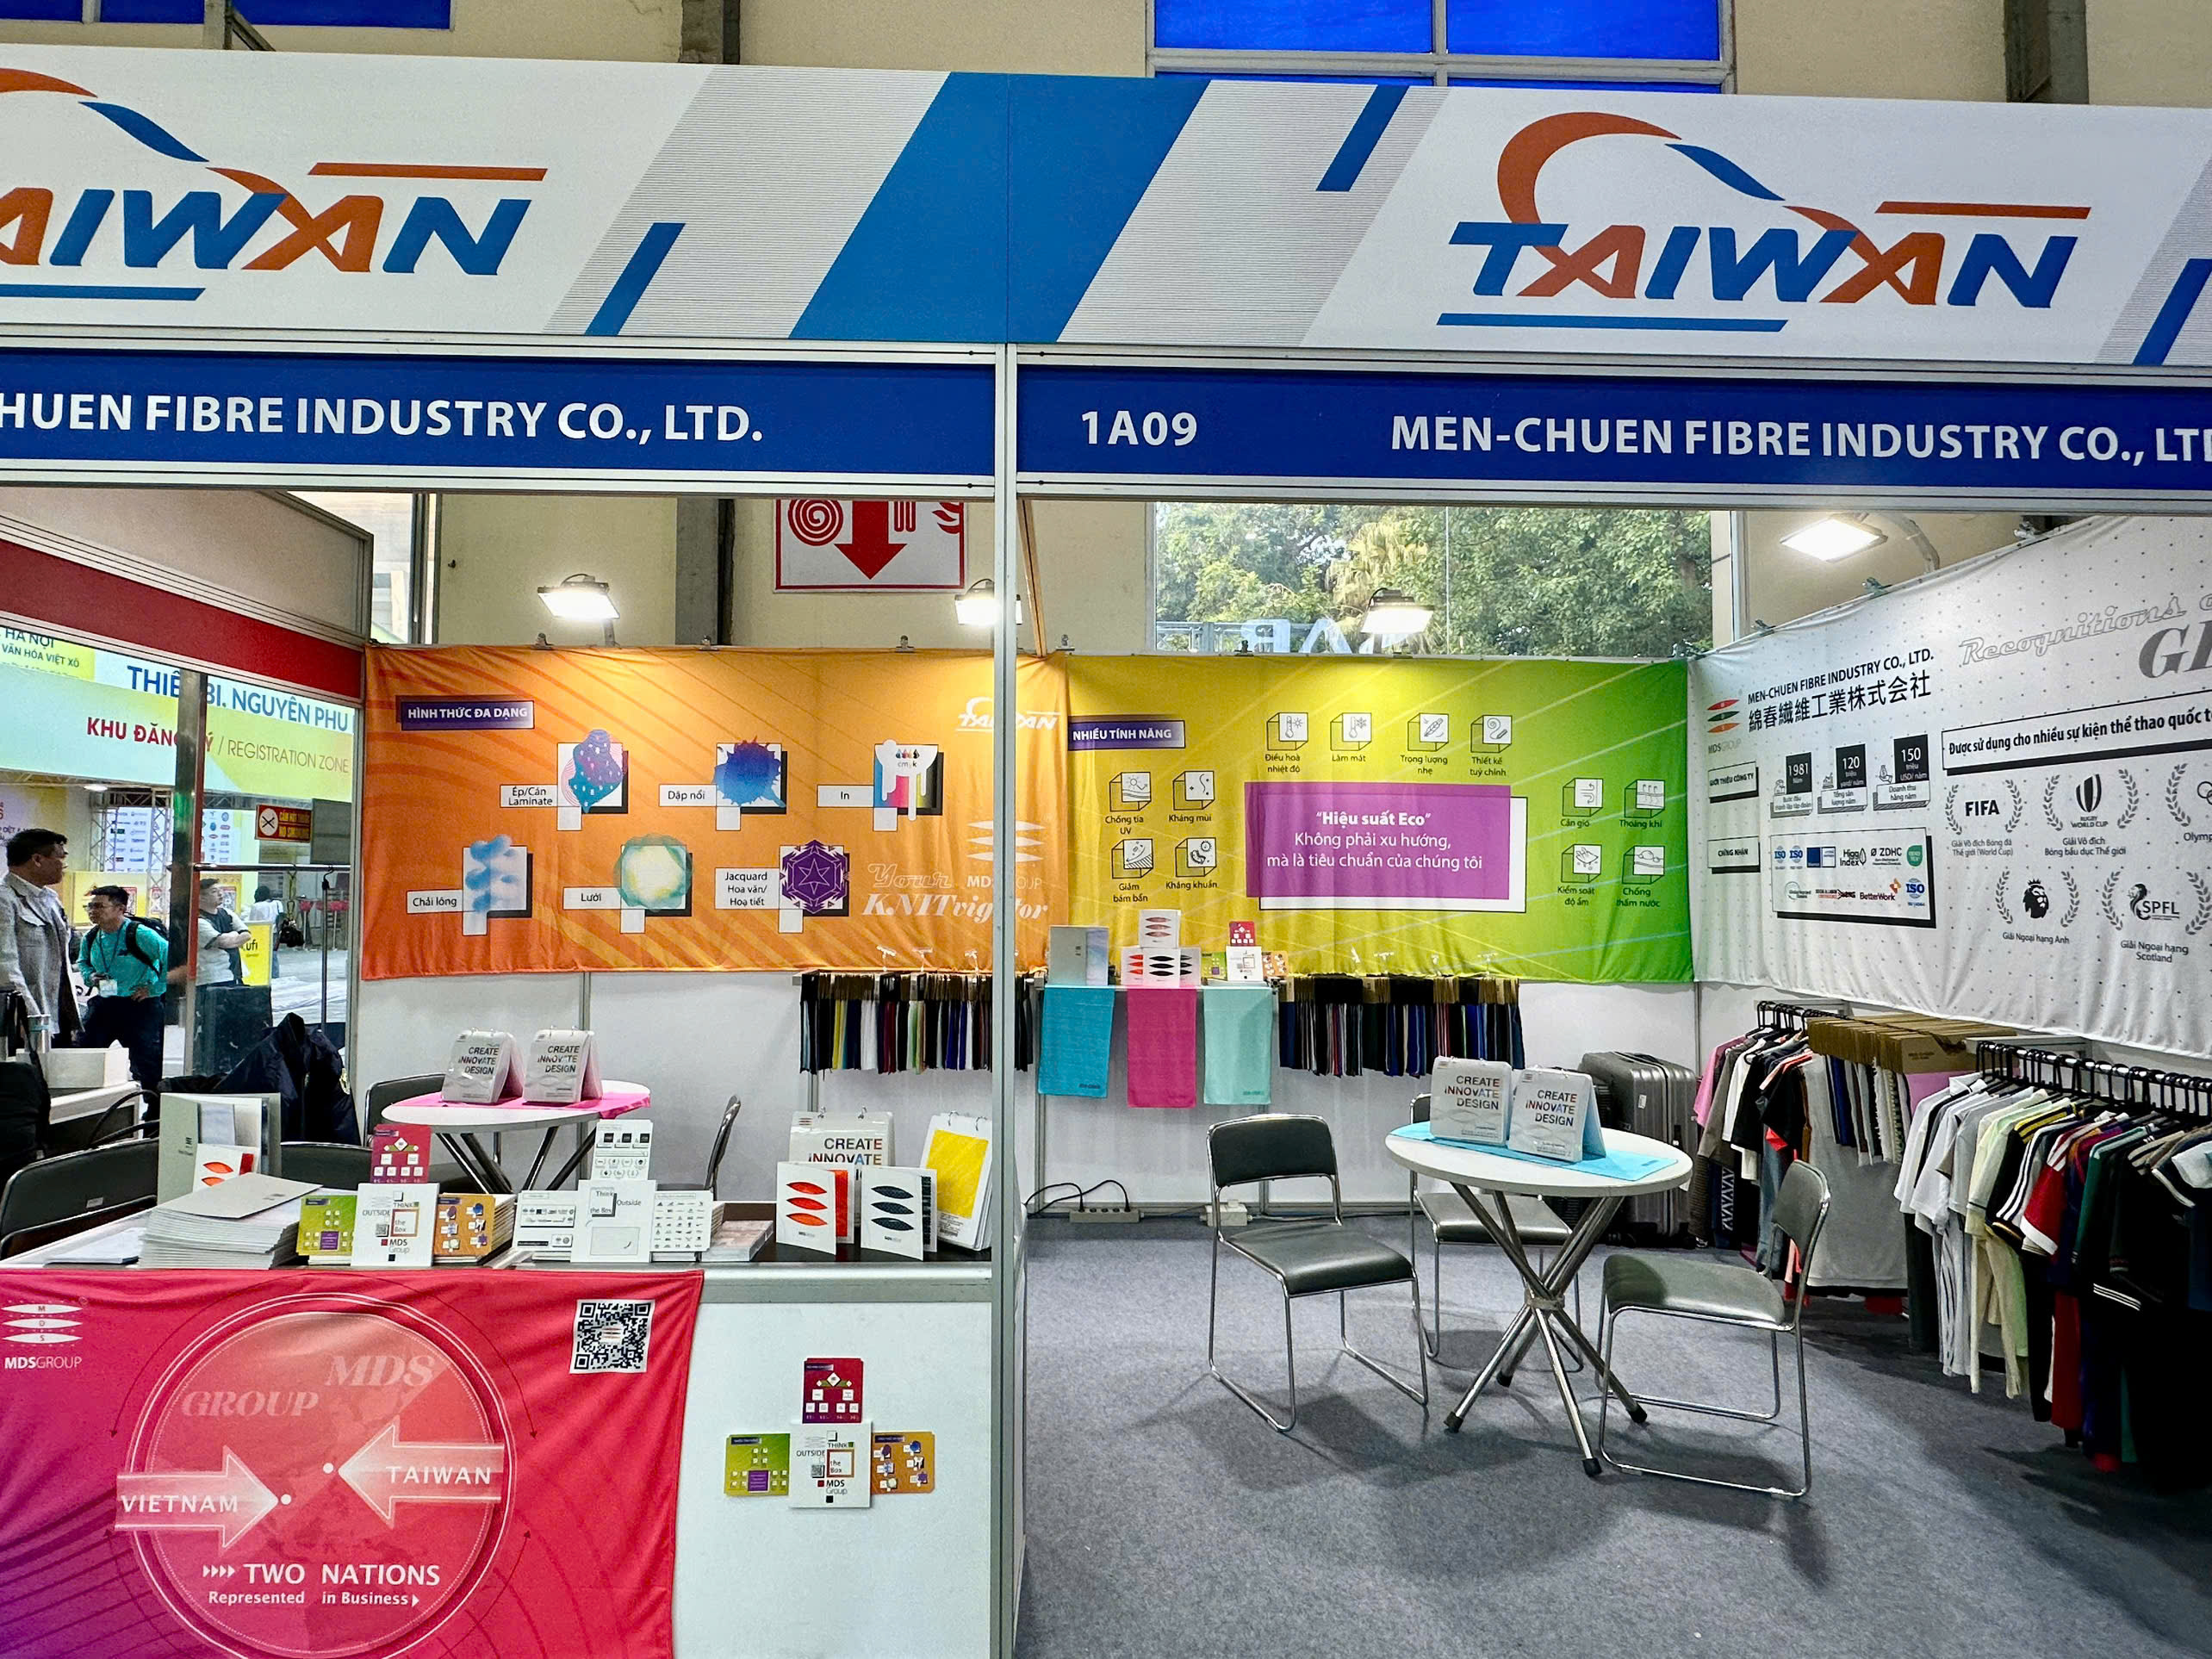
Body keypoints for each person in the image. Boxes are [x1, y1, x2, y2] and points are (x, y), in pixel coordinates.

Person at [77, 885, 167, 1091]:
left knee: (146, 1064)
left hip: (140, 1006)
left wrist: (155, 989)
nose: (92, 911)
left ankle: (154, 1106)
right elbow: (83, 962)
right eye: (90, 906)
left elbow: (170, 957)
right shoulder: (91, 936)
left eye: (99, 906)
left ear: (120, 909)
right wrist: (90, 977)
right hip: (106, 1002)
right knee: (85, 1053)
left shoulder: (140, 934)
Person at [0, 828, 78, 1050]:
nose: (64, 865)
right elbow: (5, 964)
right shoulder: (5, 899)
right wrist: (25, 1013)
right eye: (60, 858)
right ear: (37, 860)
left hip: (56, 1013)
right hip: (25, 1016)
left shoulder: (50, 898)